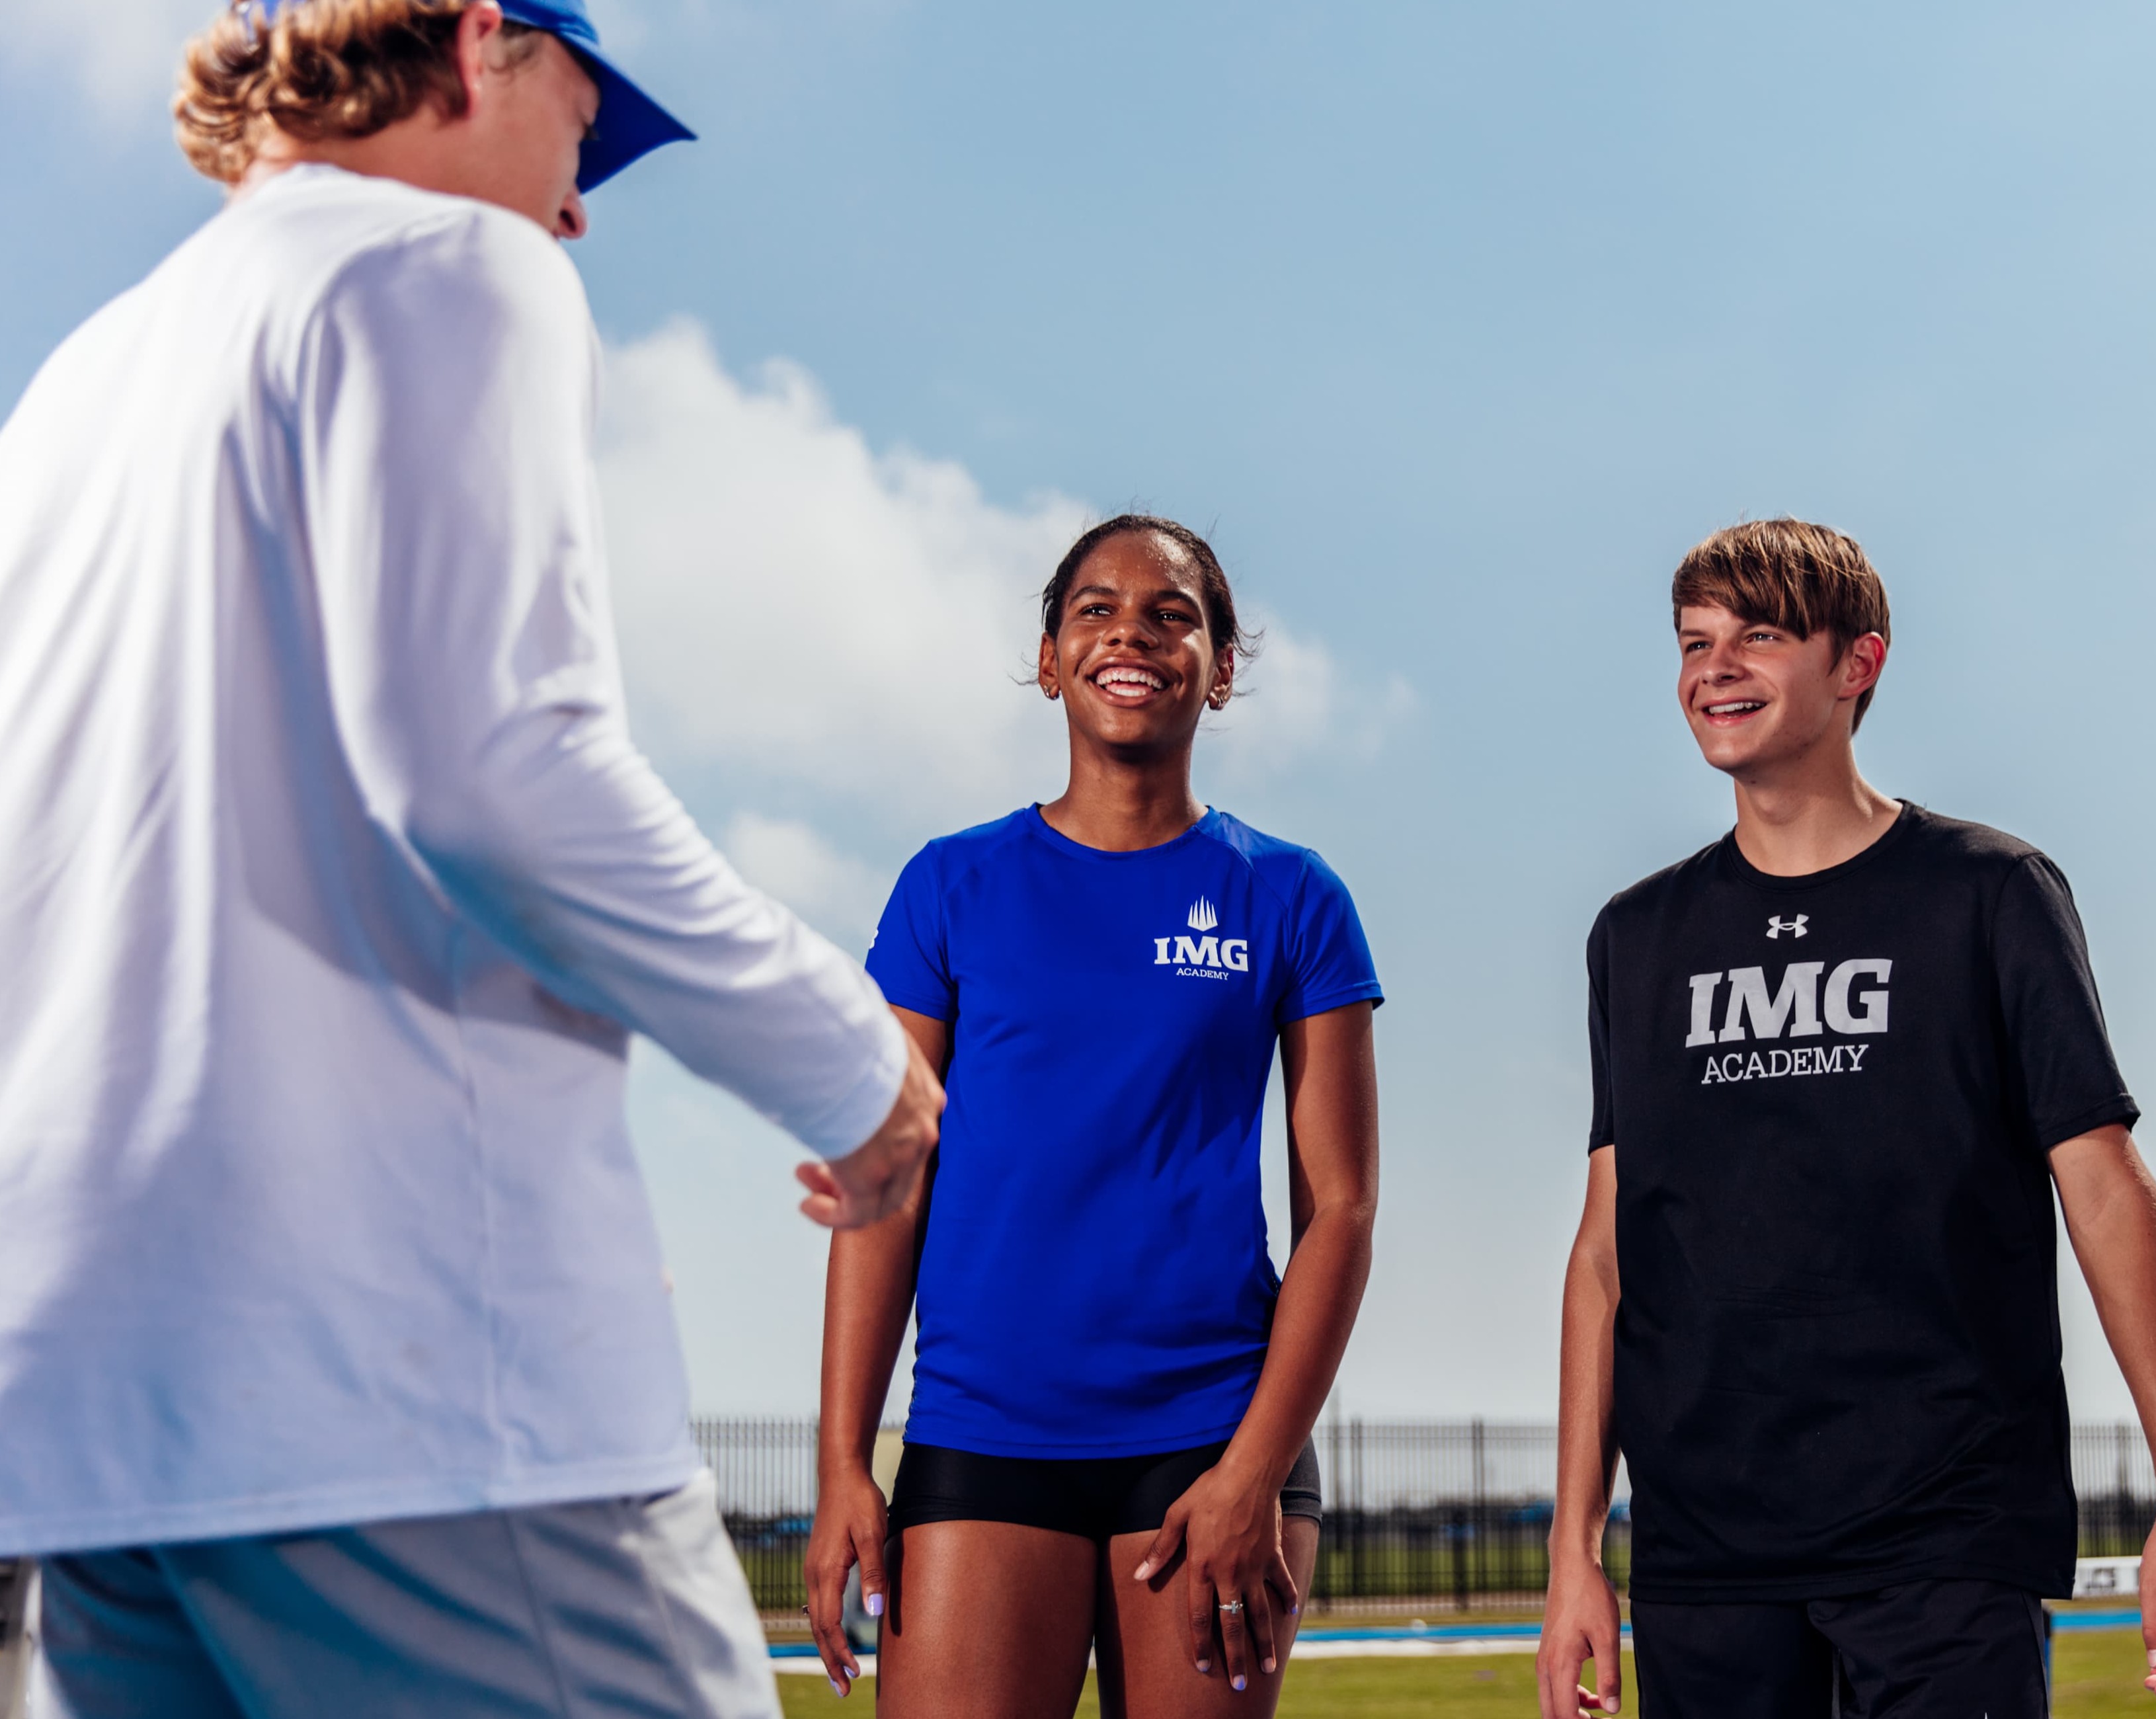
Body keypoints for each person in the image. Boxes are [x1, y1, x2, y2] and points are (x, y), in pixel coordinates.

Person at [0, 3, 943, 1715]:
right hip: (402, 1374)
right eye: (583, 136)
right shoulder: (446, 266)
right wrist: (846, 1060)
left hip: (88, 1412)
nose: (577, 210)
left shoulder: (78, 380)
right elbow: (492, 768)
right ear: (481, 45)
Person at [1538, 520, 2156, 1719]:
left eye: (1757, 636)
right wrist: (1572, 1557)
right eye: (1694, 641)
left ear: (1856, 663)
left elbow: (2107, 1189)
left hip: (1947, 1532)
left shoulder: (1988, 893)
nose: (1713, 668)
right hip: (1709, 1549)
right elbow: (1606, 1256)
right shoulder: (1636, 936)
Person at [801, 516, 1383, 1716]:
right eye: (1097, 611)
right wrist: (841, 1465)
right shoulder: (950, 886)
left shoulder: (1292, 896)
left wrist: (1253, 1474)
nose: (1132, 633)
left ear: (1219, 668)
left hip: (1214, 1440)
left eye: (1172, 614)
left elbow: (1341, 1209)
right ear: (1052, 657)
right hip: (982, 1434)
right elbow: (886, 1181)